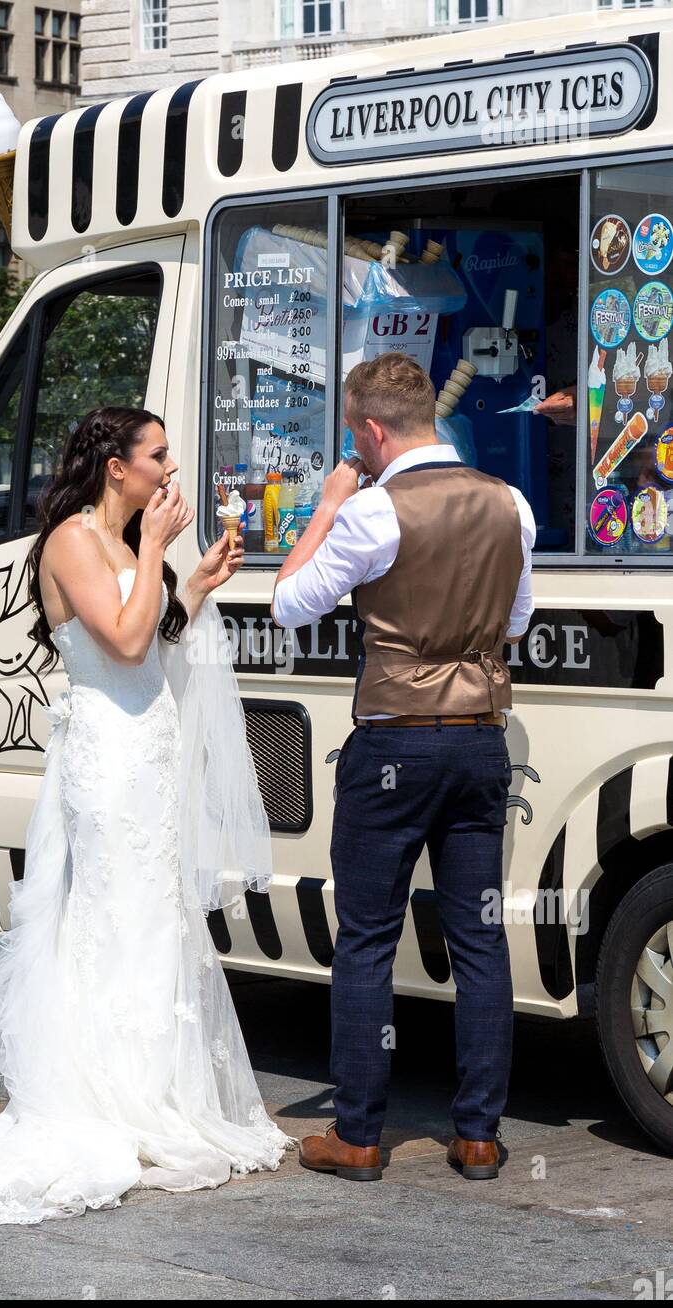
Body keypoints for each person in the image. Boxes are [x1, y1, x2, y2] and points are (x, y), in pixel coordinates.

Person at [0, 405, 294, 1227]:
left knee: (151, 915)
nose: (170, 470)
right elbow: (120, 640)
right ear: (117, 468)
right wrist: (157, 551)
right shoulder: (76, 541)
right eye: (158, 457)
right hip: (108, 759)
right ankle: (112, 1100)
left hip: (145, 746)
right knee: (114, 913)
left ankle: (154, 1090)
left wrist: (192, 581)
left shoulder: (120, 542)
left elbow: (157, 633)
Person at [272, 352, 535, 1183]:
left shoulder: (372, 514)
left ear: (372, 430)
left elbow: (287, 604)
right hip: (479, 739)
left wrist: (324, 509)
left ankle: (356, 1136)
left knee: (368, 941)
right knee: (479, 941)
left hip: (394, 743)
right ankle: (480, 1135)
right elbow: (517, 623)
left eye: (356, 434)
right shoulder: (512, 505)